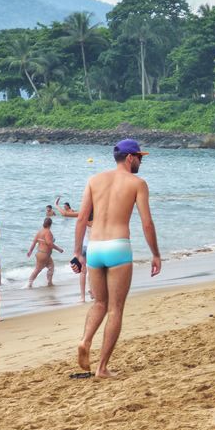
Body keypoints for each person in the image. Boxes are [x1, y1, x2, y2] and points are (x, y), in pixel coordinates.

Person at [73, 139, 161, 378]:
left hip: (94, 248)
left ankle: (85, 340)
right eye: (140, 157)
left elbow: (82, 219)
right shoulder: (137, 183)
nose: (141, 161)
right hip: (118, 247)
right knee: (116, 308)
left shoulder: (94, 180)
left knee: (99, 303)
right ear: (130, 158)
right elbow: (147, 222)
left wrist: (77, 253)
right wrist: (155, 253)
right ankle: (102, 367)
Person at [26, 217, 64, 288]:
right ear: (50, 224)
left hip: (41, 254)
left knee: (51, 267)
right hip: (44, 254)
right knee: (37, 269)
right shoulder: (48, 232)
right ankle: (29, 284)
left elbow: (34, 242)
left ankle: (49, 282)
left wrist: (30, 251)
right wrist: (59, 249)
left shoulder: (39, 232)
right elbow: (49, 243)